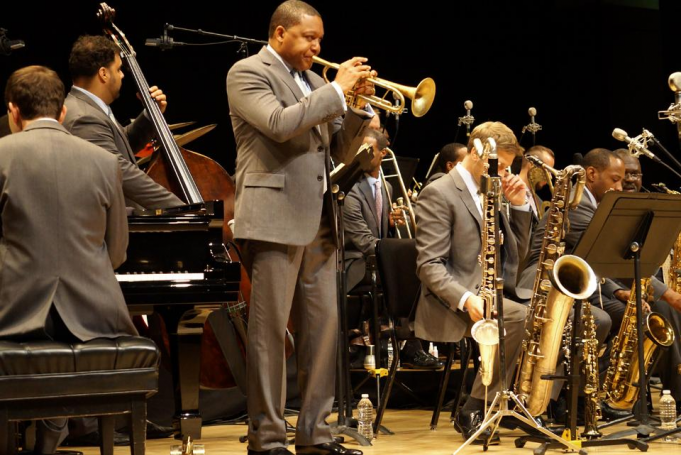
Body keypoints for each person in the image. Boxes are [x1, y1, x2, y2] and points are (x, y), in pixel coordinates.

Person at [226, 2, 374, 454]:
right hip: (273, 217)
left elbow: (334, 147)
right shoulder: (247, 72)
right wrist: (335, 93)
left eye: (320, 40)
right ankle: (267, 439)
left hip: (319, 220)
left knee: (322, 331)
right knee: (269, 334)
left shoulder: (312, 83)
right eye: (309, 37)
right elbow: (279, 124)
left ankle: (315, 435)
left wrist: (355, 108)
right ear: (279, 34)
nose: (317, 47)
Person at [0, 65, 136, 454]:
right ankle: (50, 434)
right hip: (95, 315)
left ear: (13, 111)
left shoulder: (1, 155)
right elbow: (117, 252)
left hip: (14, 314)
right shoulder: (105, 162)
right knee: (59, 336)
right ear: (62, 112)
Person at [414, 121, 532, 441]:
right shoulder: (439, 192)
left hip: (494, 291)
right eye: (501, 165)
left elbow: (515, 257)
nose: (504, 173)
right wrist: (467, 298)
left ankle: (526, 401)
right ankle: (475, 405)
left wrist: (520, 206)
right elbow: (429, 265)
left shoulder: (490, 188)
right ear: (479, 154)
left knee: (547, 313)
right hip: (453, 299)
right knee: (517, 316)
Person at [342, 128, 441, 369]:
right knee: (406, 268)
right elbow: (362, 240)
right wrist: (396, 253)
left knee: (423, 267)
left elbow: (380, 235)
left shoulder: (385, 186)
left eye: (368, 151)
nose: (361, 157)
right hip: (354, 262)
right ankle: (410, 347)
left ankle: (411, 343)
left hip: (377, 257)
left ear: (383, 153)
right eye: (358, 151)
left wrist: (390, 224)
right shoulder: (350, 189)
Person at [63, 35, 183, 210]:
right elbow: (120, 171)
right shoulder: (84, 118)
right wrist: (182, 209)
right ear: (103, 74)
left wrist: (151, 115)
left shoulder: (91, 109)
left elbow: (122, 144)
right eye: (119, 69)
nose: (122, 75)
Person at [517, 145, 555, 221]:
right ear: (531, 164)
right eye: (547, 170)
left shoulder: (539, 202)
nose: (550, 177)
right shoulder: (507, 192)